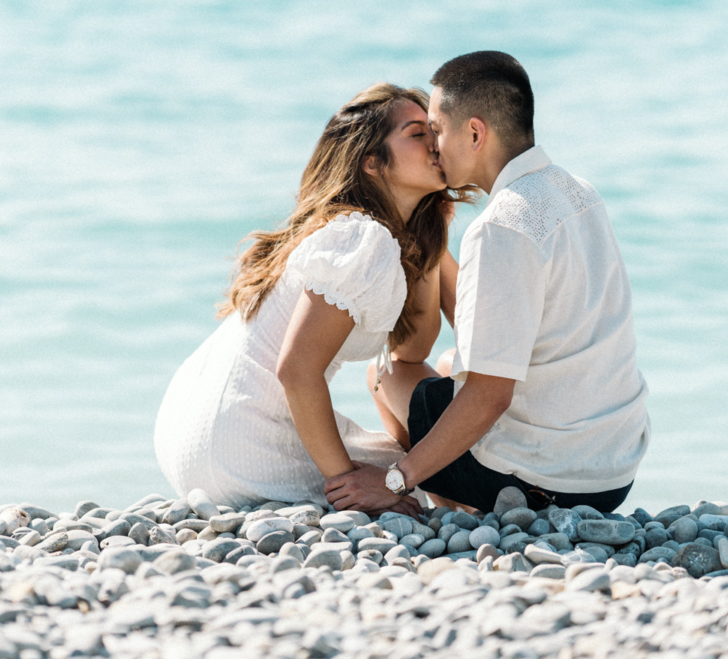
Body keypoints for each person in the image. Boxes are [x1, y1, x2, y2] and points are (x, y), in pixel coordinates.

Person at [330, 51, 650, 514]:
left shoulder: (502, 226)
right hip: (613, 472)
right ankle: (453, 498)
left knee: (388, 374)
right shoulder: (579, 192)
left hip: (548, 485)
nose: (433, 147)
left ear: (475, 133)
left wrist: (395, 480)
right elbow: (489, 340)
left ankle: (444, 503)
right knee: (447, 361)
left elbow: (490, 396)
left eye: (436, 130)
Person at [154, 83, 465, 513]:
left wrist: (431, 237)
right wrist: (349, 485)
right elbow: (298, 370)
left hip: (190, 432)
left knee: (413, 468)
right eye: (417, 134)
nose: (437, 143)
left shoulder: (355, 233)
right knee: (431, 474)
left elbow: (412, 349)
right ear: (371, 162)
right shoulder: (361, 237)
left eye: (434, 131)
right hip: (242, 443)